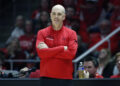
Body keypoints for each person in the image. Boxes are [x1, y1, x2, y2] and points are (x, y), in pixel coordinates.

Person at [36, 4, 78, 86]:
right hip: (46, 77)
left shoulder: (72, 33)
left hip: (65, 78)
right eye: (54, 14)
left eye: (59, 14)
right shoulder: (42, 33)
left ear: (64, 17)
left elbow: (71, 54)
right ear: (51, 15)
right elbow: (41, 54)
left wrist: (49, 51)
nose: (56, 16)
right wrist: (62, 48)